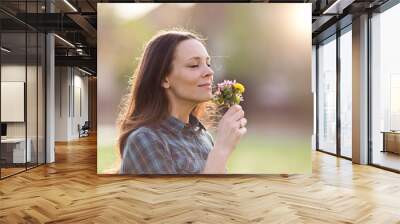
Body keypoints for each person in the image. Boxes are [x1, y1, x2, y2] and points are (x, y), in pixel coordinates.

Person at [117, 29, 247, 174]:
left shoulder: (203, 137)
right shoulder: (145, 140)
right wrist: (221, 149)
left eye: (208, 64)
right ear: (164, 79)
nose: (209, 72)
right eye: (193, 65)